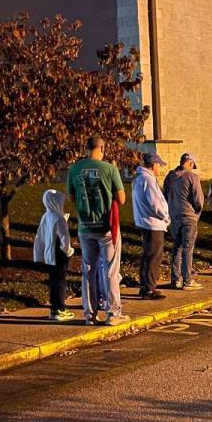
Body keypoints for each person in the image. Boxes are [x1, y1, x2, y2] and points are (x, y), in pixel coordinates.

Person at [66, 136, 129, 326]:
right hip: (106, 227)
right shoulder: (109, 169)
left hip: (85, 226)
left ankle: (89, 314)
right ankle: (112, 313)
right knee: (110, 270)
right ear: (102, 148)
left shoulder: (75, 169)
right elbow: (121, 198)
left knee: (88, 270)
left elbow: (71, 197)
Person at [33, 189, 76, 320]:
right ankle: (59, 309)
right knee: (60, 280)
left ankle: (54, 308)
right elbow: (65, 238)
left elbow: (40, 235)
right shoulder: (59, 218)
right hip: (59, 252)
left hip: (49, 252)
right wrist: (68, 250)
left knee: (53, 280)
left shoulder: (46, 215)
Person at [132, 152, 169, 298]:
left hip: (144, 222)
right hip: (153, 223)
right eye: (159, 165)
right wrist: (165, 217)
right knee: (154, 256)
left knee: (147, 255)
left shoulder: (139, 179)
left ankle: (145, 285)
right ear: (154, 165)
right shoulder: (149, 180)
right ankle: (149, 288)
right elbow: (155, 203)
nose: (160, 168)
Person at [165, 152, 204, 289]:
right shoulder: (192, 176)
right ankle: (187, 280)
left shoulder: (170, 176)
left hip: (174, 216)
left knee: (176, 248)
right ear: (191, 163)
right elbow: (198, 200)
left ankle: (175, 279)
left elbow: (165, 195)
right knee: (188, 249)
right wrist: (197, 211)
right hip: (188, 216)